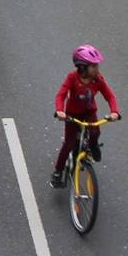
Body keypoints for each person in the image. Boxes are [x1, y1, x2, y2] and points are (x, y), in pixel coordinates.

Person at [50, 45, 120, 187]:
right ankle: (57, 172)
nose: (97, 69)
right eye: (93, 66)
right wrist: (60, 111)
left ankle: (93, 145)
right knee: (68, 144)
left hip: (89, 112)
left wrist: (114, 111)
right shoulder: (72, 78)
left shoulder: (98, 80)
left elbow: (110, 96)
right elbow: (61, 95)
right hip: (72, 115)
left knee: (95, 131)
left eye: (97, 66)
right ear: (82, 67)